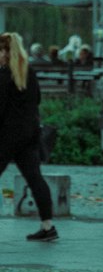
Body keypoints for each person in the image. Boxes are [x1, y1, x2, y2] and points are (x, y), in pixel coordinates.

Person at [0, 31, 58, 242]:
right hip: (30, 134)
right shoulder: (28, 72)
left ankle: (47, 227)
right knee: (35, 179)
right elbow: (38, 100)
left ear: (5, 52)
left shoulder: (4, 76)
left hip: (7, 136)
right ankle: (47, 225)